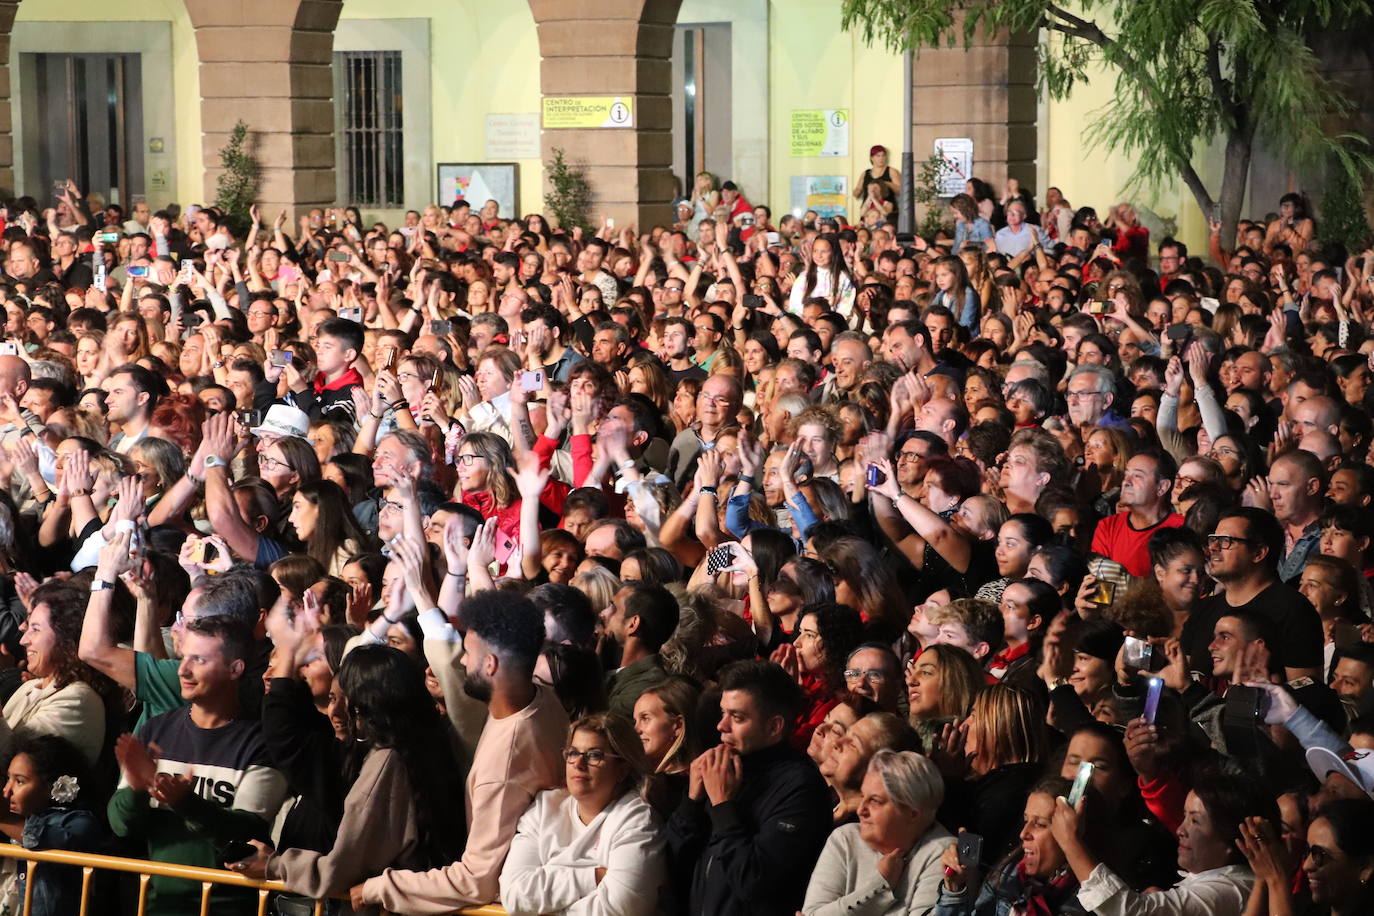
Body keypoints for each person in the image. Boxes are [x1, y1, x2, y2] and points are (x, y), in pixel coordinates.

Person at [352, 589, 569, 914]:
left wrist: (378, 888)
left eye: (468, 653)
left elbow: (475, 880)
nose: (463, 661)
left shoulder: (505, 764)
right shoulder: (544, 699)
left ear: (491, 665)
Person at [229, 645, 467, 903]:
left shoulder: (387, 761)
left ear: (369, 703)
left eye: (348, 701)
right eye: (332, 699)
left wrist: (274, 864)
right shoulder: (430, 744)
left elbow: (340, 870)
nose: (337, 712)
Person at [108, 616, 288, 916]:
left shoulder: (261, 743)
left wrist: (185, 803)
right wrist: (139, 789)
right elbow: (120, 825)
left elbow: (247, 835)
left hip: (227, 907)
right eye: (183, 657)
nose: (183, 669)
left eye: (199, 659)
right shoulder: (156, 730)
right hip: (157, 904)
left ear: (235, 669)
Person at [666, 659, 833, 916]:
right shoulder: (724, 768)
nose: (721, 726)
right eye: (723, 713)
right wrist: (692, 802)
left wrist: (722, 806)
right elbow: (673, 865)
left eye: (737, 717)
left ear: (774, 727)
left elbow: (754, 882)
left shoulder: (802, 787)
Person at [499, 714, 665, 916]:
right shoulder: (544, 808)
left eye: (594, 755)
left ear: (622, 768)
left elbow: (620, 909)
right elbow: (513, 894)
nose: (578, 763)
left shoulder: (637, 819)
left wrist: (543, 905)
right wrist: (592, 877)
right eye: (573, 753)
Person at [803, 750, 952, 916]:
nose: (861, 810)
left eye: (875, 801)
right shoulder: (845, 839)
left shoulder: (942, 853)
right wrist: (880, 885)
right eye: (863, 796)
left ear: (912, 813)